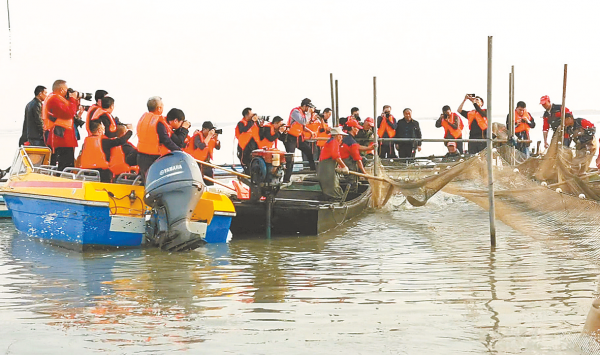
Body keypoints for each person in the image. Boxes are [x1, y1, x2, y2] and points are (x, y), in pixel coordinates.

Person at [136, 96, 189, 181]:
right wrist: (179, 151)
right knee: (154, 181)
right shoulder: (158, 122)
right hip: (152, 158)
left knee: (146, 181)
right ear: (159, 108)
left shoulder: (143, 119)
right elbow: (166, 140)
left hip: (140, 156)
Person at [42, 79, 81, 171]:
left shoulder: (56, 99)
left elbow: (71, 110)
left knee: (67, 164)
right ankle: (62, 181)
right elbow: (69, 113)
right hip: (61, 137)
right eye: (67, 89)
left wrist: (74, 100)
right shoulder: (54, 100)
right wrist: (72, 98)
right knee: (65, 165)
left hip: (62, 136)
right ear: (62, 90)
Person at [283, 98, 317, 183]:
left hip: (299, 137)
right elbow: (303, 122)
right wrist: (309, 113)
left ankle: (313, 170)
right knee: (290, 158)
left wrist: (310, 132)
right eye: (308, 107)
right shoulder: (296, 112)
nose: (308, 109)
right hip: (291, 138)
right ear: (305, 106)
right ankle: (286, 179)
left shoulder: (302, 113)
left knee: (309, 151)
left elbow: (302, 127)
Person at [317, 127, 349, 201]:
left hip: (324, 167)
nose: (342, 138)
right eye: (341, 136)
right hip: (326, 168)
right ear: (337, 135)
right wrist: (344, 166)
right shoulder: (334, 142)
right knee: (332, 187)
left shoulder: (330, 142)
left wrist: (339, 167)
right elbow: (335, 156)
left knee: (329, 188)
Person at [185, 121, 221, 185]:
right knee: (200, 182)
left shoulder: (210, 138)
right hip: (198, 163)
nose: (211, 132)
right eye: (209, 130)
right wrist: (209, 136)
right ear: (204, 129)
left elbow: (218, 147)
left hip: (206, 163)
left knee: (210, 182)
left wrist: (216, 138)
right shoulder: (197, 136)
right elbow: (201, 146)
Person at [341, 119, 368, 187]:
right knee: (352, 180)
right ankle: (353, 187)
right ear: (353, 128)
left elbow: (357, 147)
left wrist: (369, 148)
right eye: (357, 128)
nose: (358, 130)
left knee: (364, 159)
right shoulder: (351, 142)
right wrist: (364, 174)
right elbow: (358, 160)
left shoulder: (345, 138)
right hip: (346, 163)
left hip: (342, 161)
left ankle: (355, 180)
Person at [235, 107, 260, 174]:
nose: (252, 116)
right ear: (246, 115)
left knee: (254, 162)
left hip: (253, 145)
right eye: (251, 114)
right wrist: (252, 121)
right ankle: (247, 174)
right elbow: (244, 129)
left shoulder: (254, 123)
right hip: (244, 147)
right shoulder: (241, 123)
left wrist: (259, 122)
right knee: (246, 163)